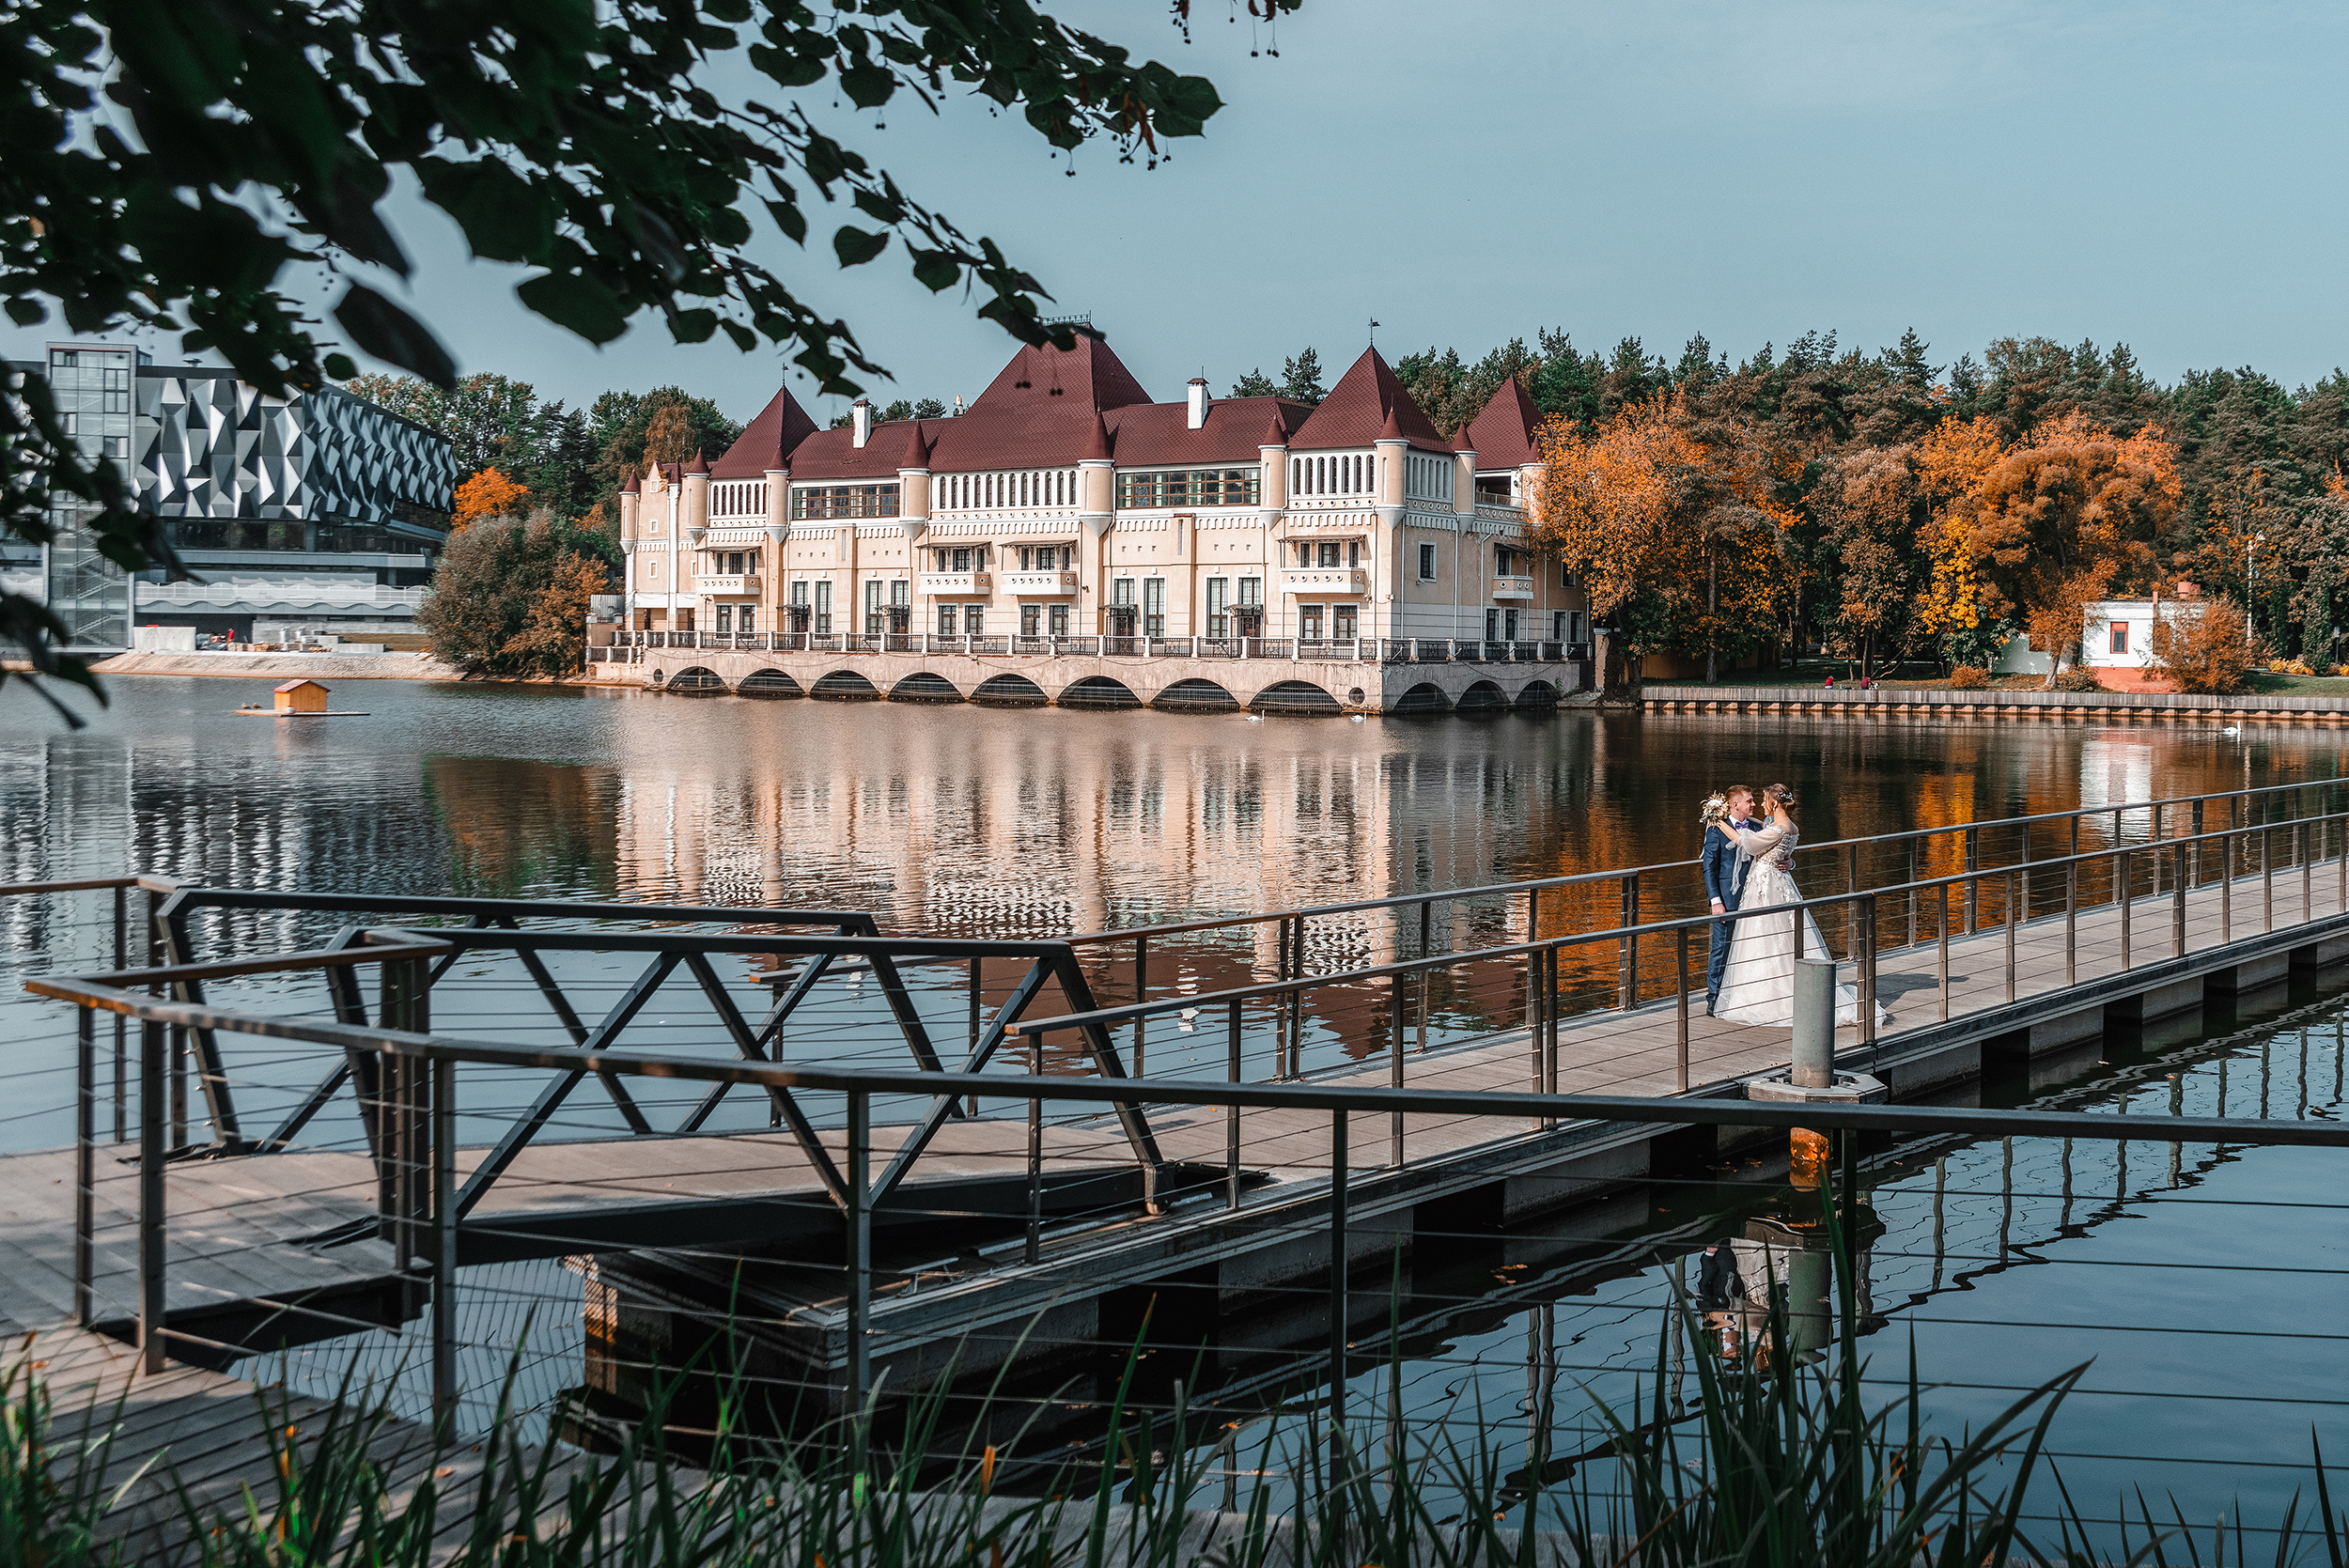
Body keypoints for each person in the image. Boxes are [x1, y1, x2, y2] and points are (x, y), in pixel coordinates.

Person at [1712, 784, 1892, 1028]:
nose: (1761, 805)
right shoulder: (1789, 826)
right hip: (1776, 882)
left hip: (1767, 888)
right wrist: (1790, 862)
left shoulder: (1777, 828)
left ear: (1774, 804)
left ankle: (1770, 996)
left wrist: (1719, 822)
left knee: (1766, 936)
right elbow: (1776, 847)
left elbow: (1750, 845)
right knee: (1777, 938)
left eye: (1764, 800)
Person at [1700, 786, 1764, 1016]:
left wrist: (1790, 864)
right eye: (1749, 801)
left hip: (1757, 899)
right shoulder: (1716, 829)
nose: (1753, 804)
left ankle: (1746, 994)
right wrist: (1716, 900)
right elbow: (1709, 868)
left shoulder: (1758, 827)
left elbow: (1776, 857)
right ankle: (1714, 998)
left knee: (1753, 948)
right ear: (1735, 805)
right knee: (1721, 949)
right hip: (1728, 900)